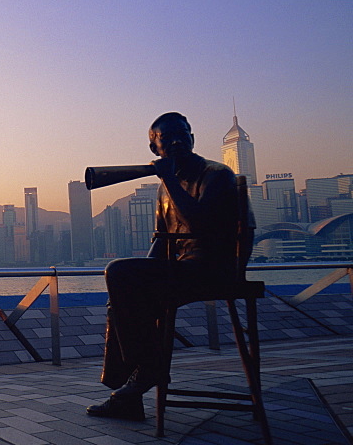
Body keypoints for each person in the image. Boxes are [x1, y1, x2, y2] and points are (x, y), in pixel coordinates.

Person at [87, 112, 239, 422]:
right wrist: (132, 283)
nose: (177, 141)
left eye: (182, 134)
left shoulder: (216, 175)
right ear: (155, 150)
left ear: (193, 138)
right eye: (166, 139)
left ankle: (144, 376)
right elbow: (162, 242)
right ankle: (132, 390)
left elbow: (199, 224)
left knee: (117, 272)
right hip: (182, 270)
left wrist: (168, 178)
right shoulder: (164, 190)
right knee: (119, 292)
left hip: (213, 269)